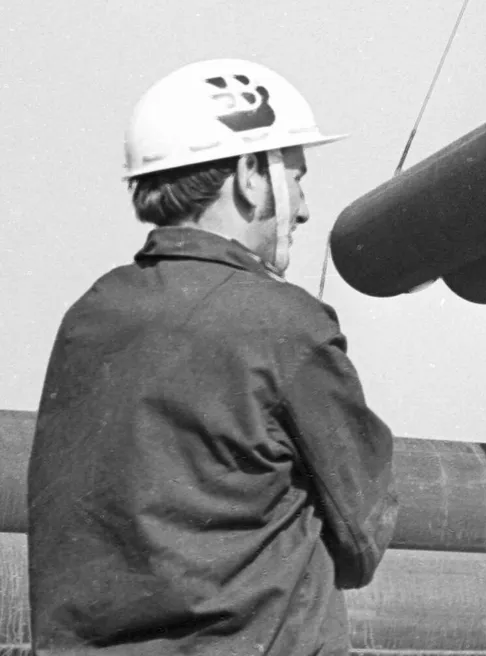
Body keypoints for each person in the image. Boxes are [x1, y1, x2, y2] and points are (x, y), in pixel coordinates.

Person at [28, 59, 398, 656]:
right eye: (296, 179)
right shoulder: (282, 322)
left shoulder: (90, 314)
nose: (302, 209)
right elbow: (362, 536)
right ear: (252, 175)